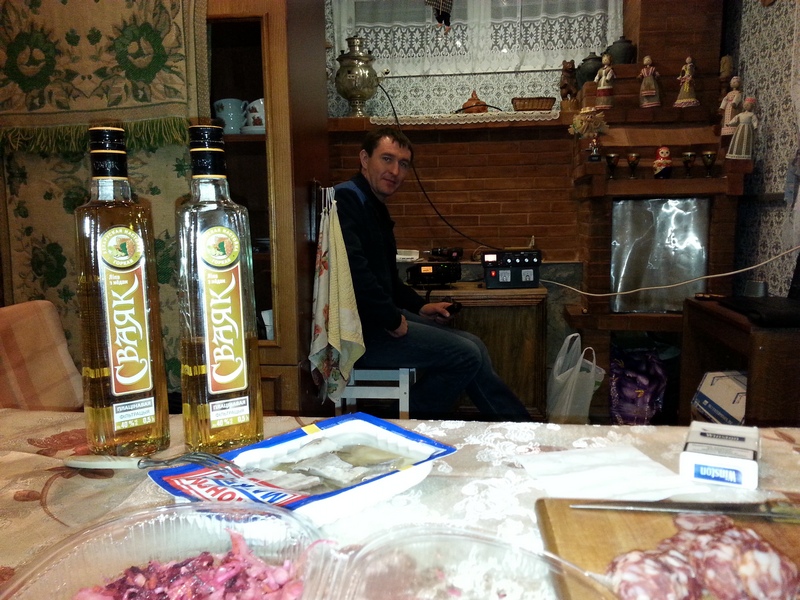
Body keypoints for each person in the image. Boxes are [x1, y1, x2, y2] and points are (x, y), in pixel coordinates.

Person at [334, 127, 532, 421]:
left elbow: (388, 280)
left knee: (475, 345)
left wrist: (421, 306)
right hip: (359, 335)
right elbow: (354, 273)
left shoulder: (374, 207)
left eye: (403, 164)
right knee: (465, 354)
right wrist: (391, 318)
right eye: (387, 159)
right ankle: (404, 425)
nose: (395, 171)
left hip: (375, 321)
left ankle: (517, 426)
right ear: (365, 159)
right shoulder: (347, 199)